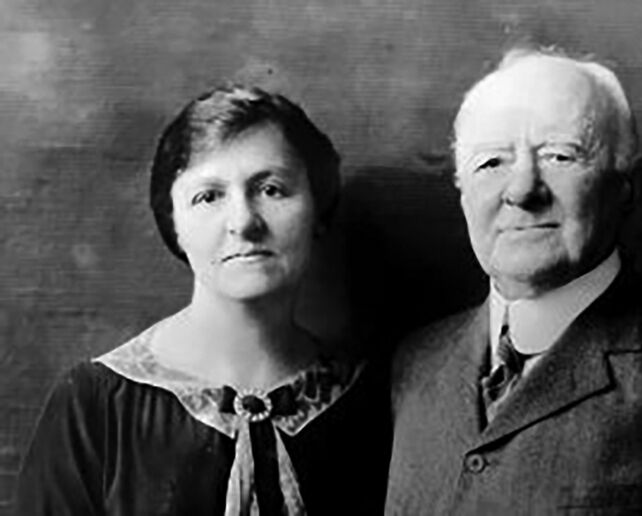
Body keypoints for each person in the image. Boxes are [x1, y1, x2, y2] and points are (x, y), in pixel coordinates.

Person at [16, 84, 391, 515]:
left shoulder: (372, 402)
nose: (243, 222)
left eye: (271, 189)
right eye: (208, 196)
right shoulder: (95, 406)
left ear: (318, 208)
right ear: (174, 223)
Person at [385, 47, 642, 515]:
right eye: (490, 163)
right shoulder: (415, 362)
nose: (522, 190)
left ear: (629, 186)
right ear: (462, 195)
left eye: (560, 155)